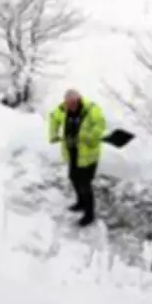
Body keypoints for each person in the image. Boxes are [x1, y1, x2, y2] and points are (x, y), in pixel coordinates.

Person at [48, 88, 106, 227]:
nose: (70, 107)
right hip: (72, 152)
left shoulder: (92, 109)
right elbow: (53, 117)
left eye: (72, 103)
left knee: (85, 184)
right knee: (73, 178)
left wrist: (89, 137)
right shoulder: (63, 109)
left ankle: (89, 214)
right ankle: (80, 203)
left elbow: (101, 125)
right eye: (67, 104)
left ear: (78, 100)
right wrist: (53, 134)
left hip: (88, 154)